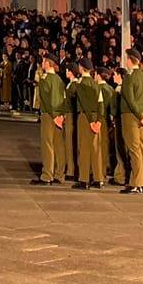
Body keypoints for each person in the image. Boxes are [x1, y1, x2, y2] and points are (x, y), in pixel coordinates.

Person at [119, 49, 143, 194]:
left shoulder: (129, 77)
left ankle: (136, 183)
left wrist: (140, 117)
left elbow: (130, 99)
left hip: (131, 116)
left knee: (134, 150)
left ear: (130, 60)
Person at [32, 53, 65, 185]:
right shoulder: (59, 79)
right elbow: (62, 98)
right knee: (58, 145)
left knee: (47, 145)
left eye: (44, 61)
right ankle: (59, 174)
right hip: (59, 115)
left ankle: (47, 175)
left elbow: (47, 100)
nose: (42, 63)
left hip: (49, 115)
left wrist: (54, 115)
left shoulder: (45, 79)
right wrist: (60, 115)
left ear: (48, 63)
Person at [72, 60, 104, 189]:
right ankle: (98, 178)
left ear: (81, 68)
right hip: (96, 116)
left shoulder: (81, 84)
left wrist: (91, 121)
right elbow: (101, 103)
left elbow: (85, 104)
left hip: (86, 117)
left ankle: (84, 179)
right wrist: (99, 120)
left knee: (84, 148)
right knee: (96, 148)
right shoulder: (96, 84)